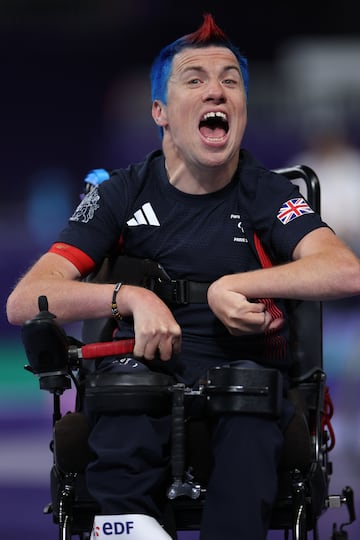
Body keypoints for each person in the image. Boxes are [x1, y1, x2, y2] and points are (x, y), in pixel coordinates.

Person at [6, 13, 360, 540]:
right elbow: (25, 300)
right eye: (195, 79)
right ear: (161, 112)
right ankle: (123, 525)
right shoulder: (118, 194)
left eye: (230, 81)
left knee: (249, 396)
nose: (216, 91)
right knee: (129, 389)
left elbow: (345, 271)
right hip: (139, 381)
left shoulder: (266, 191)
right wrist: (129, 299)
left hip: (243, 389)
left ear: (241, 110)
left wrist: (234, 286)